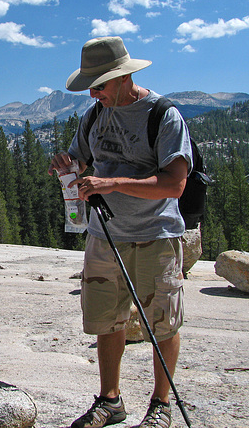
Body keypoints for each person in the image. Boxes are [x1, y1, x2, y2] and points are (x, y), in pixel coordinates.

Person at [48, 36, 193, 428]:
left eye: (99, 85)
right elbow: (82, 161)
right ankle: (110, 400)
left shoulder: (163, 115)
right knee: (106, 320)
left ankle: (160, 405)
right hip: (103, 235)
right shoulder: (94, 115)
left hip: (155, 234)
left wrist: (112, 184)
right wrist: (68, 166)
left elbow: (174, 184)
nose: (93, 93)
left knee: (162, 321)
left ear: (123, 77)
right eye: (90, 87)